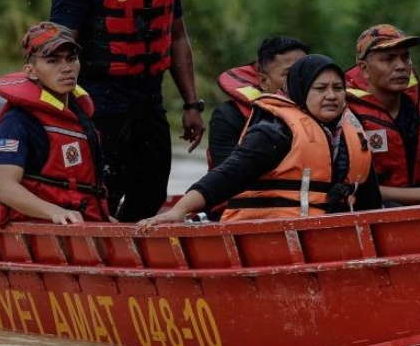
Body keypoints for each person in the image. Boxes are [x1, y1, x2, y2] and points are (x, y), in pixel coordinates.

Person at [49, 0, 204, 222]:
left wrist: (192, 105)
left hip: (149, 96)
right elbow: (58, 48)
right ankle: (99, 255)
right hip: (98, 97)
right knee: (105, 185)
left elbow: (176, 37)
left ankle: (132, 249)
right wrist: (58, 110)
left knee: (152, 187)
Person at [137, 55, 380, 227]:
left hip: (328, 236)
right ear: (300, 90)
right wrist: (180, 209)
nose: (331, 96)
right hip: (268, 237)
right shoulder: (276, 131)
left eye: (338, 88)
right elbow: (227, 175)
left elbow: (369, 200)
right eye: (320, 88)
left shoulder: (352, 134)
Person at [0, 23, 110, 226]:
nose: (66, 68)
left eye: (71, 59)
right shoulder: (17, 121)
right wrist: (54, 212)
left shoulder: (80, 116)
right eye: (52, 61)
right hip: (38, 228)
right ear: (30, 71)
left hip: (83, 224)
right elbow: (5, 188)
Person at [344, 24, 420, 205]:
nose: (401, 66)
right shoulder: (347, 114)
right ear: (364, 69)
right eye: (388, 59)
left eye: (406, 57)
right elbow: (353, 186)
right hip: (371, 215)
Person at [208, 35, 310, 169]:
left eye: (306, 72)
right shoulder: (230, 116)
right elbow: (226, 177)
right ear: (263, 81)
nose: (301, 80)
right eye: (289, 74)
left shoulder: (328, 113)